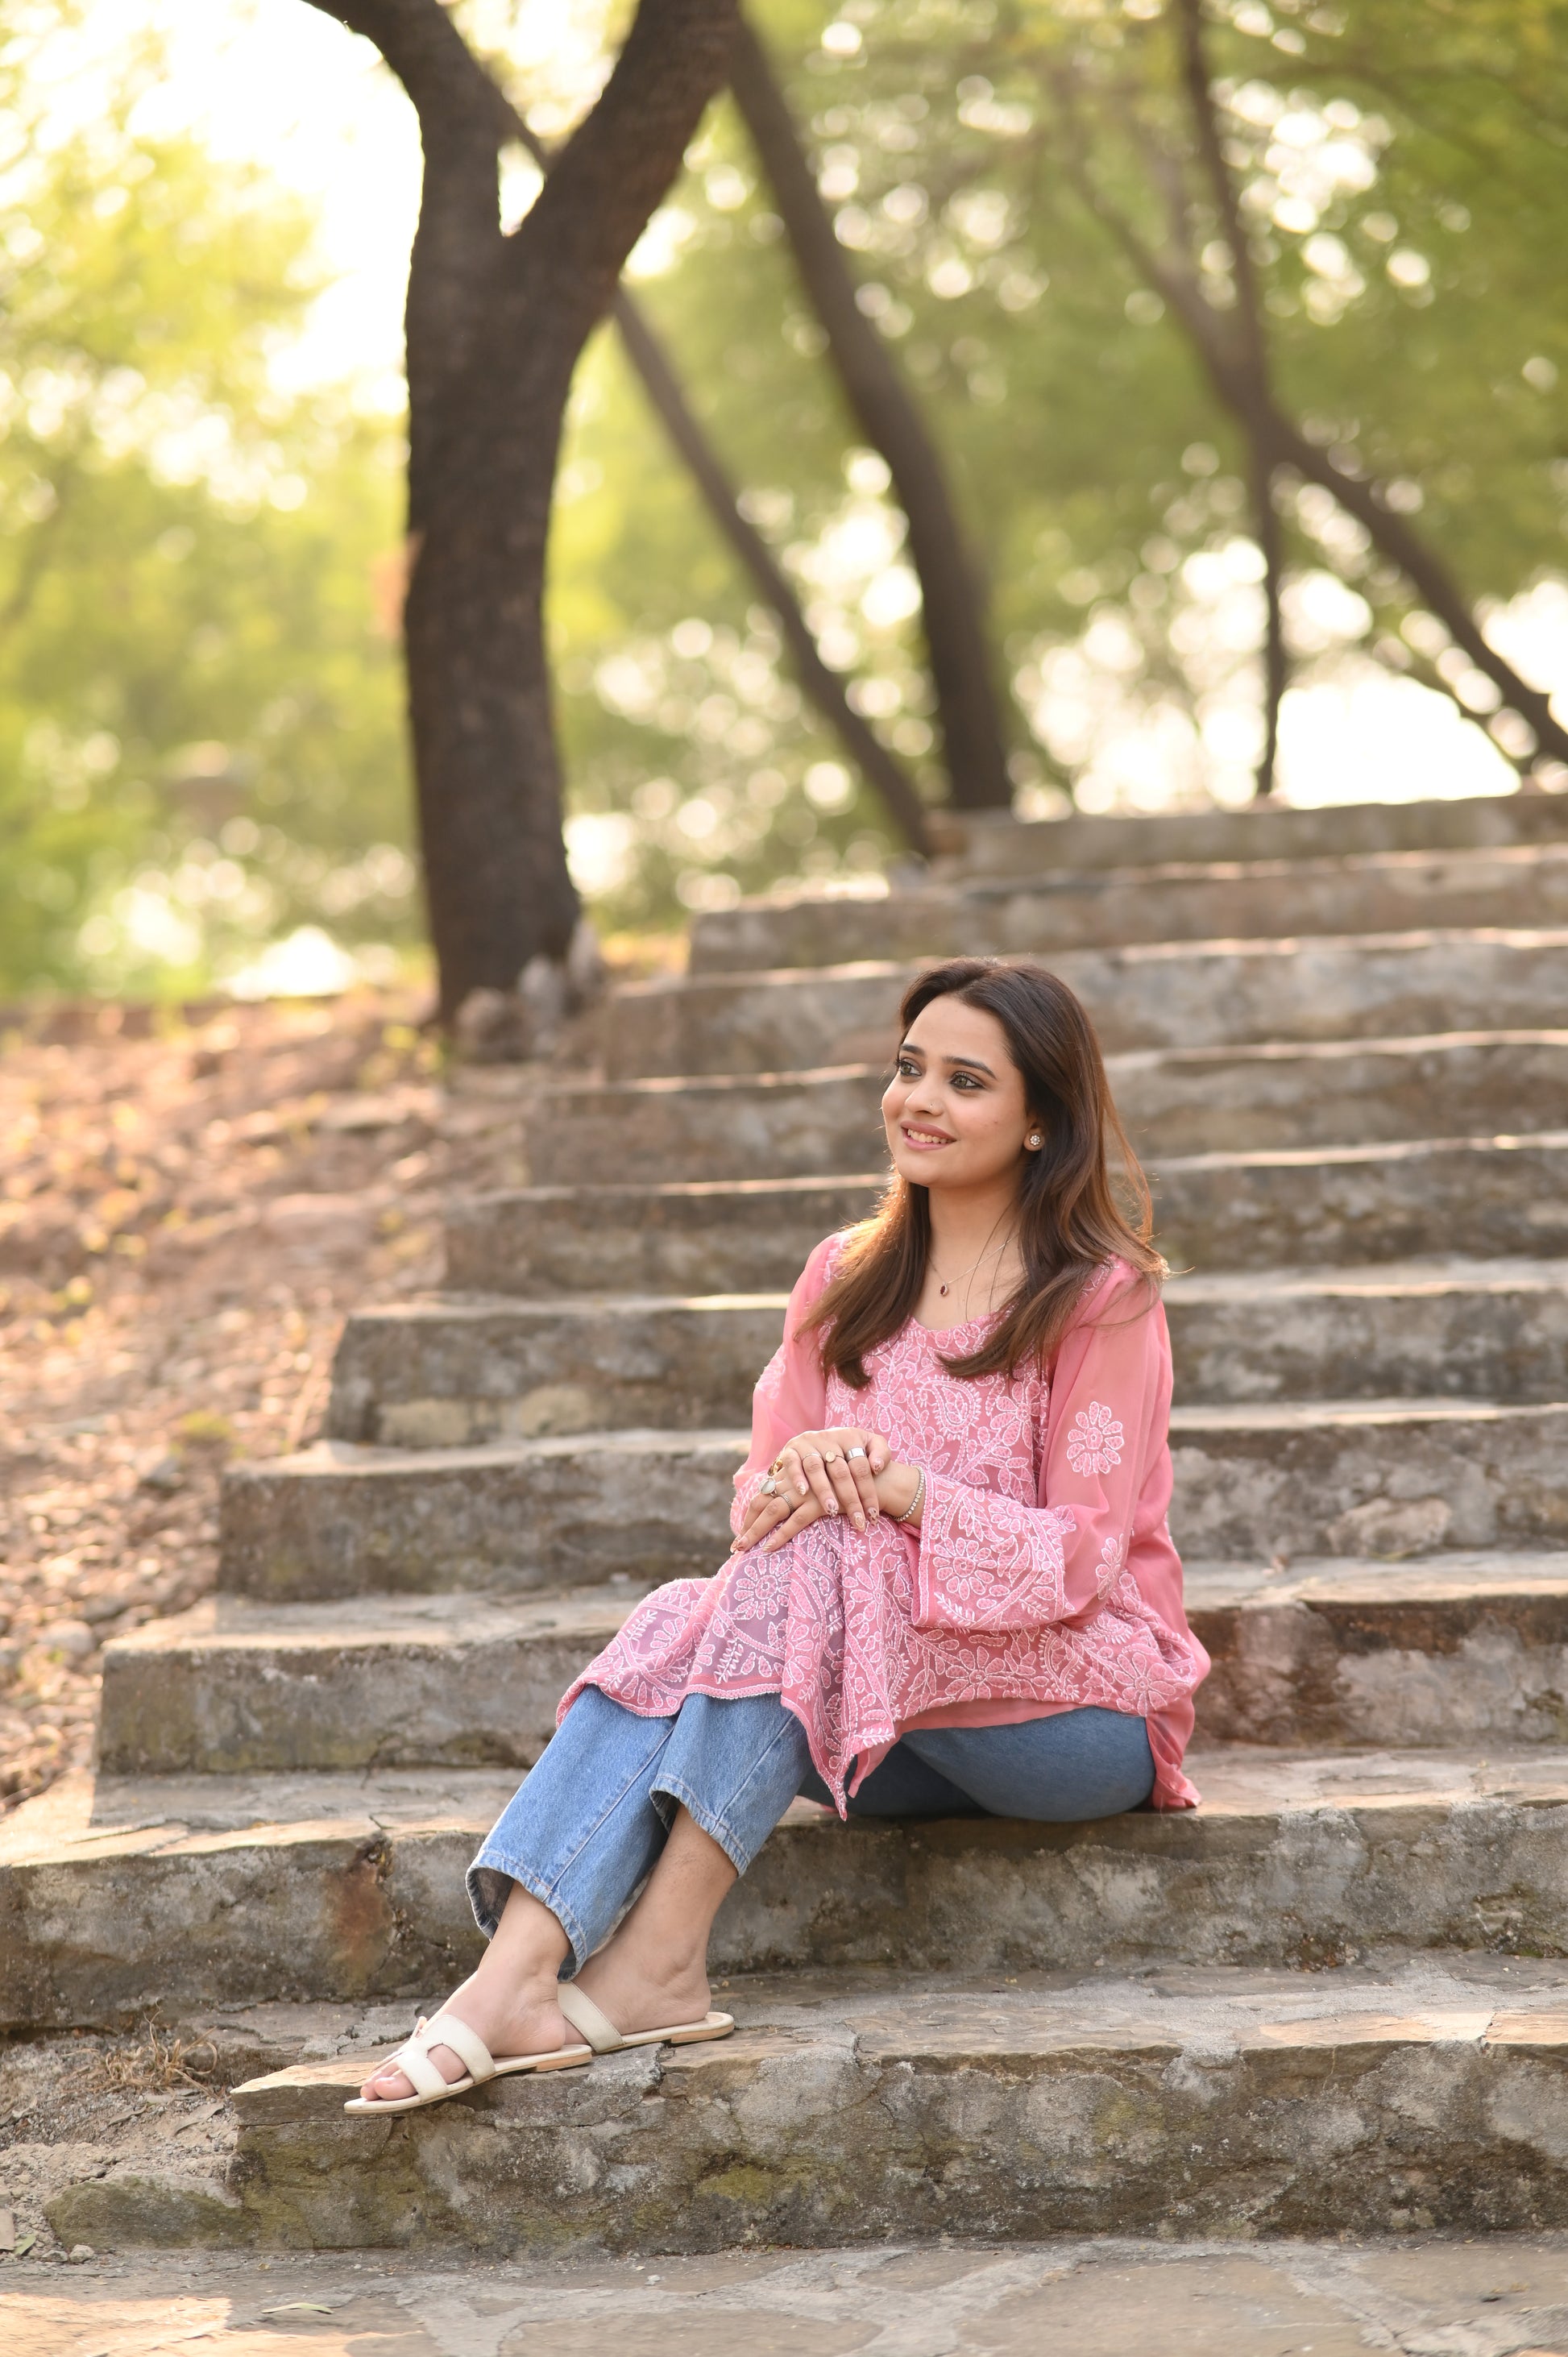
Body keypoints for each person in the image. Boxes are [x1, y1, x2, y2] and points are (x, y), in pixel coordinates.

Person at [349, 956, 1209, 2113]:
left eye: (965, 1082)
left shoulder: (1101, 1296)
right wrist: (804, 1475)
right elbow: (760, 1516)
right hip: (872, 1721)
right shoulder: (843, 1276)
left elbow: (1081, 1561)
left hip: (1072, 1715)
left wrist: (899, 1489)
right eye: (909, 1068)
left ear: (1040, 1119)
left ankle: (642, 1962)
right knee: (704, 1607)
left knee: (817, 1554)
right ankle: (517, 1976)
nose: (919, 1100)